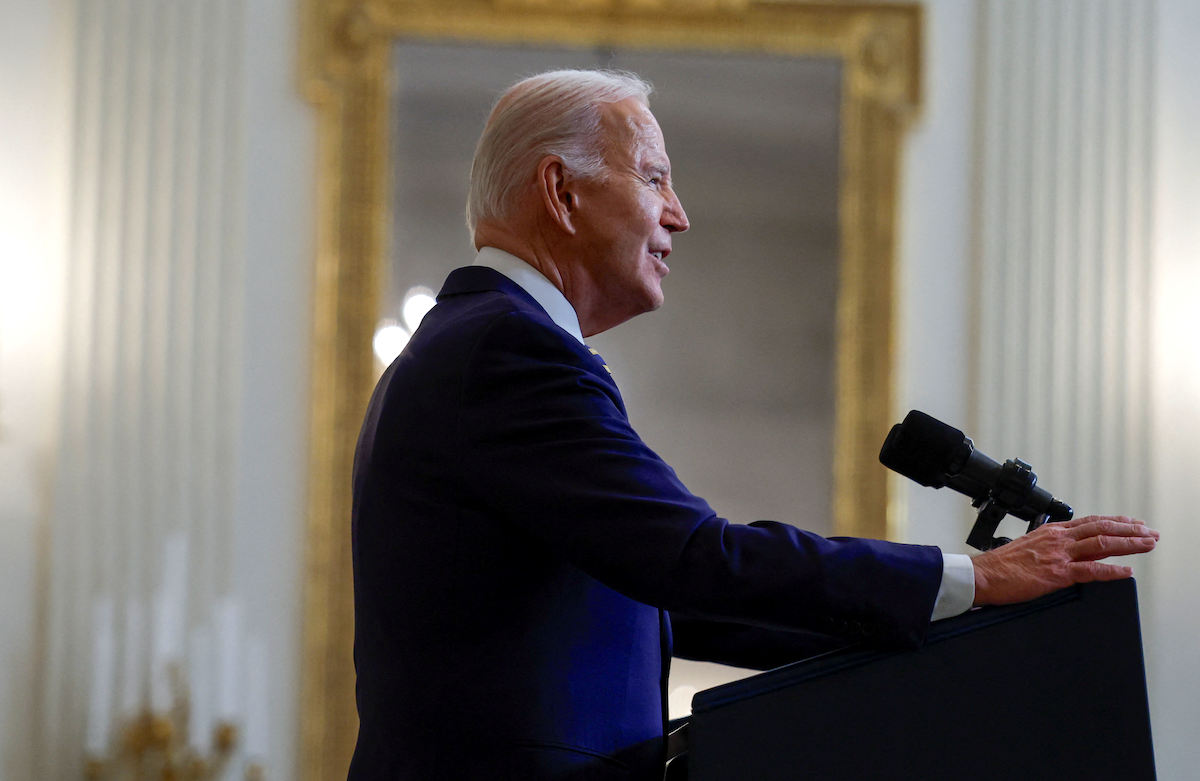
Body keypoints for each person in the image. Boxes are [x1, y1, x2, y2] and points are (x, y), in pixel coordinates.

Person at [346, 70, 1158, 781]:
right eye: (656, 178)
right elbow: (697, 559)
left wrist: (956, 622)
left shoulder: (481, 343)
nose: (680, 215)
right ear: (562, 192)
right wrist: (973, 578)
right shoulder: (506, 348)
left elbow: (673, 603)